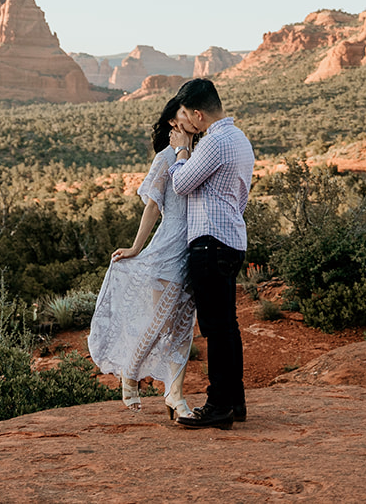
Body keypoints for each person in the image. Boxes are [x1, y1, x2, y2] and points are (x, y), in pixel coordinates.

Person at [86, 93, 199, 420]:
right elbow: (152, 206)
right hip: (168, 247)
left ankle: (175, 398)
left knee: (183, 328)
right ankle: (131, 374)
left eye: (193, 112)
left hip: (195, 248)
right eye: (182, 113)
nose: (191, 117)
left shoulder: (200, 154)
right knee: (160, 321)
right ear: (172, 122)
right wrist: (137, 248)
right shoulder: (166, 158)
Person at [168, 77, 254, 429]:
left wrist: (181, 152)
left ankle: (219, 406)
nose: (185, 121)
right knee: (228, 328)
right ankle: (235, 401)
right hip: (232, 239)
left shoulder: (214, 143)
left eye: (186, 114)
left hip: (210, 243)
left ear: (199, 114)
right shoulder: (239, 139)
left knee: (216, 330)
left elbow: (181, 184)